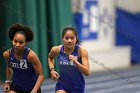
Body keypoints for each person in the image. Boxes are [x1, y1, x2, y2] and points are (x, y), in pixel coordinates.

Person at [3, 23, 44, 93]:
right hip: (16, 88)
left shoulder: (31, 56)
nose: (17, 45)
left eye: (21, 42)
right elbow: (9, 67)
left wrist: (34, 91)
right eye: (15, 41)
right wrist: (8, 82)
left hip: (31, 89)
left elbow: (41, 75)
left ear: (26, 43)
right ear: (12, 40)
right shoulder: (7, 54)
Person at [48, 26, 90, 93]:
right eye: (66, 38)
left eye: (72, 38)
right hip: (62, 84)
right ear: (62, 38)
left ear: (76, 39)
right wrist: (52, 70)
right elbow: (50, 58)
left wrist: (76, 62)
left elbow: (87, 72)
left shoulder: (81, 51)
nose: (69, 41)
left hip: (77, 86)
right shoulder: (56, 49)